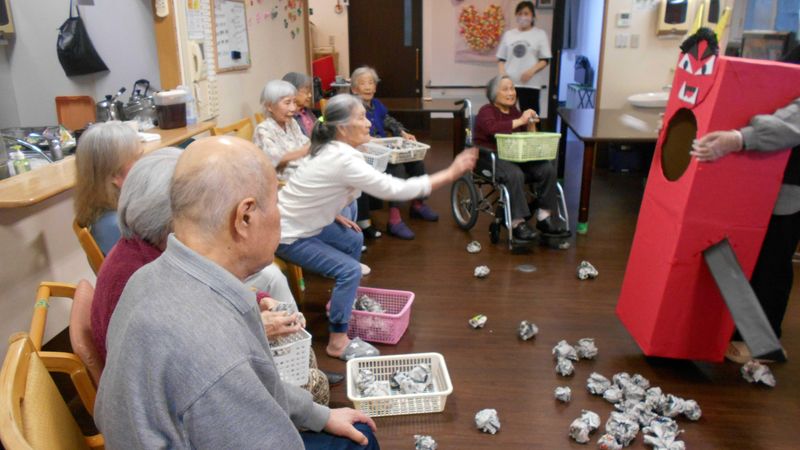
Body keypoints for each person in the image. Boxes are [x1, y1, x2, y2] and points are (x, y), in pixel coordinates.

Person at [95, 136, 378, 449]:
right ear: (245, 217)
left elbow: (260, 385)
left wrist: (319, 415)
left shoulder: (148, 277)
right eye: (277, 202)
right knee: (362, 439)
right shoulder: (212, 350)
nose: (281, 215)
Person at [91, 148, 331, 400]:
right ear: (175, 216)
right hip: (181, 392)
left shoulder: (155, 252)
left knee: (300, 355)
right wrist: (256, 328)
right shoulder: (142, 277)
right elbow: (192, 360)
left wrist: (259, 301)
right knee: (314, 385)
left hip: (194, 374)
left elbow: (213, 289)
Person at [277, 94, 477, 359]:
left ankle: (342, 304)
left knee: (352, 239)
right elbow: (397, 189)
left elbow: (314, 190)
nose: (369, 123)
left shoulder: (332, 148)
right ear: (343, 128)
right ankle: (337, 341)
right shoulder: (343, 159)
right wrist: (450, 173)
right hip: (287, 234)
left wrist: (333, 213)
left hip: (302, 221)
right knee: (349, 270)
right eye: (361, 117)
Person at [692, 92, 800, 363]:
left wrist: (741, 138)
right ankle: (739, 331)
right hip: (750, 172)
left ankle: (764, 344)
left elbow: (792, 121)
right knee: (741, 254)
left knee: (771, 259)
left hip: (785, 179)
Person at [350, 66, 439, 240]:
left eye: (371, 83)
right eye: (363, 83)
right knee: (396, 168)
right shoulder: (352, 107)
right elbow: (354, 134)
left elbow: (388, 120)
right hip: (366, 153)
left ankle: (418, 204)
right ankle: (394, 219)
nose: (368, 87)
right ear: (354, 89)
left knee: (417, 162)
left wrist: (403, 133)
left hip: (384, 149)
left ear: (375, 87)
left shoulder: (377, 104)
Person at [473, 75, 566, 241]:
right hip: (490, 157)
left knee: (547, 168)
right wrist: (520, 120)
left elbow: (529, 138)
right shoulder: (486, 111)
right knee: (514, 174)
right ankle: (517, 222)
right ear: (494, 94)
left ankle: (544, 217)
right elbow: (492, 129)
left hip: (515, 155)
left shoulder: (515, 112)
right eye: (505, 89)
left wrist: (530, 123)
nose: (511, 93)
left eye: (512, 88)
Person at [74, 121, 143, 255]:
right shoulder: (115, 226)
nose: (145, 164)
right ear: (114, 175)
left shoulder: (106, 211)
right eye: (138, 159)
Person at [496, 1, 551, 113]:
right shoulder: (509, 34)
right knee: (507, 114)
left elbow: (545, 60)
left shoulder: (540, 34)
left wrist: (531, 71)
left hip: (530, 84)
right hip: (510, 84)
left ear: (533, 16)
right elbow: (501, 58)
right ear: (516, 15)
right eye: (520, 13)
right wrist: (503, 75)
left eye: (526, 13)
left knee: (530, 116)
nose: (523, 17)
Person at [254, 79, 311, 181]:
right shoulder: (263, 130)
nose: (293, 108)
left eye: (294, 102)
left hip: (302, 172)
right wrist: (304, 151)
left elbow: (305, 142)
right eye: (287, 103)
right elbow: (277, 158)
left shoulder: (291, 123)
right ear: (269, 106)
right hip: (282, 182)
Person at [283, 71, 318, 137]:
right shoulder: (288, 117)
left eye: (310, 92)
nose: (310, 95)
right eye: (306, 92)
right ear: (292, 92)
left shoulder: (307, 111)